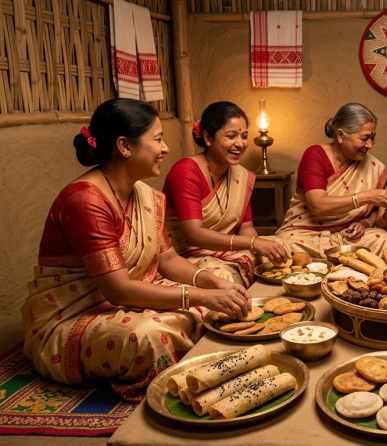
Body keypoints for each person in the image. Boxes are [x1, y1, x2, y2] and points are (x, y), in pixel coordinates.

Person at [21, 99, 252, 403]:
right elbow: (117, 290)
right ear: (124, 146)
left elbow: (168, 260)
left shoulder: (145, 194)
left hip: (133, 295)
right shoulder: (86, 201)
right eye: (157, 139)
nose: (166, 148)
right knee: (150, 337)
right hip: (78, 314)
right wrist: (201, 295)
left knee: (220, 279)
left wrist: (211, 282)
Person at [162, 102, 288, 286]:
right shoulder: (186, 171)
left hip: (223, 248)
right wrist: (253, 244)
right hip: (186, 252)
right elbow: (193, 235)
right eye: (231, 136)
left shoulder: (240, 175)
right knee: (222, 275)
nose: (240, 143)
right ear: (207, 137)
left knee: (278, 247)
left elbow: (246, 228)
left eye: (244, 136)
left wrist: (259, 247)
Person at [275, 103, 387, 258]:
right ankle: (347, 265)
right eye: (364, 138)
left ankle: (338, 266)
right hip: (306, 233)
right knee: (286, 243)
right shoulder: (315, 155)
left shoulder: (373, 166)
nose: (370, 145)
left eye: (373, 138)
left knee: (381, 238)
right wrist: (366, 197)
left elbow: (376, 209)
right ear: (340, 135)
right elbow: (318, 206)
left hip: (348, 236)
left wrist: (365, 224)